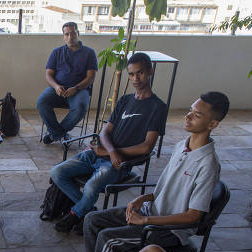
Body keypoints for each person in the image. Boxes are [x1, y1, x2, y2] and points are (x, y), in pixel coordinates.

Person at [83, 92, 230, 252]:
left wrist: (146, 220)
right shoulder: (181, 146)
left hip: (168, 230)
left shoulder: (208, 164)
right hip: (151, 210)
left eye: (196, 115)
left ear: (213, 124)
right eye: (190, 110)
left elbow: (193, 216)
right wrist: (142, 198)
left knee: (107, 238)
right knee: (92, 220)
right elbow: (166, 189)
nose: (188, 116)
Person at [50, 52, 168, 234]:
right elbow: (105, 131)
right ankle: (88, 211)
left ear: (150, 71)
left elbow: (147, 147)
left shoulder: (157, 107)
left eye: (140, 73)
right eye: (131, 74)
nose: (135, 78)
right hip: (102, 154)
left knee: (90, 186)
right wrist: (110, 151)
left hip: (120, 163)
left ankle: (74, 214)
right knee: (57, 172)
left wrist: (111, 153)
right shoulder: (125, 100)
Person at [37, 22, 98, 145]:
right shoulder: (57, 52)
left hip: (80, 90)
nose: (70, 37)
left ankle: (54, 135)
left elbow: (91, 77)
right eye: (67, 34)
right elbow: (48, 74)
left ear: (78, 34)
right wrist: (56, 86)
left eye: (73, 33)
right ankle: (60, 134)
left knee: (81, 107)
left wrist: (76, 88)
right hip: (58, 89)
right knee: (41, 102)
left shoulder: (89, 53)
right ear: (63, 36)